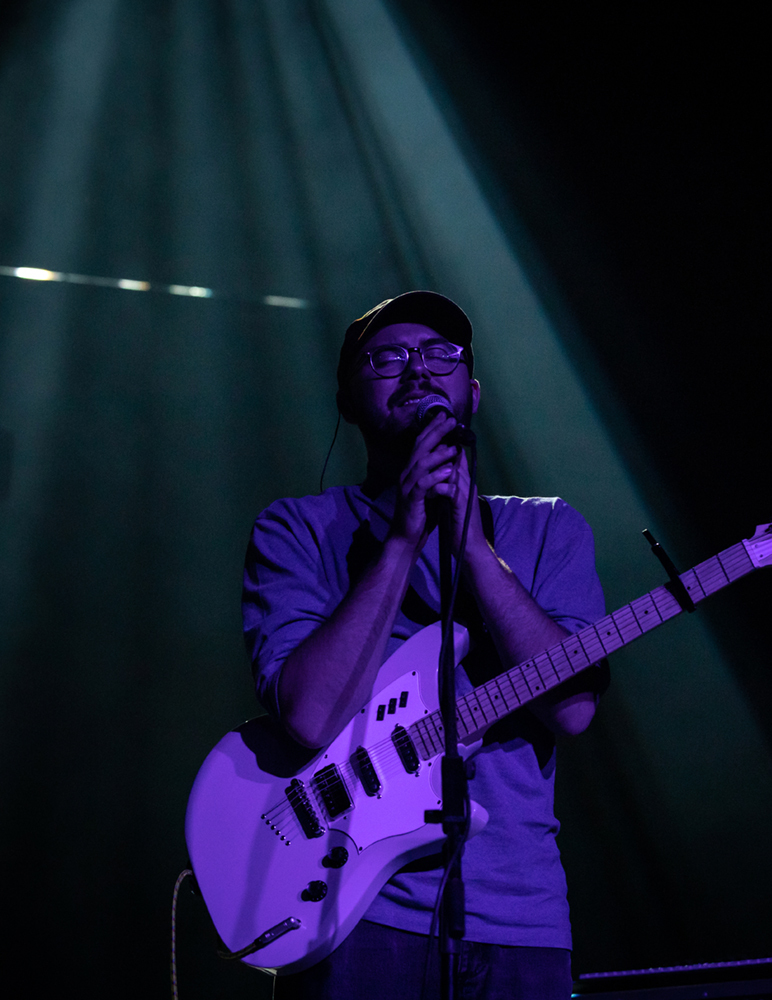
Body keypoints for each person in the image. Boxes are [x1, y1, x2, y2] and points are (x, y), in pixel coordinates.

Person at [242, 291, 607, 999]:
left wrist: (472, 548)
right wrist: (404, 537)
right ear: (348, 399)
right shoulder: (296, 530)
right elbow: (310, 717)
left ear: (472, 391)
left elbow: (573, 713)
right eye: (389, 358)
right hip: (350, 915)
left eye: (442, 354)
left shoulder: (547, 531)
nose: (418, 369)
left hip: (522, 921)